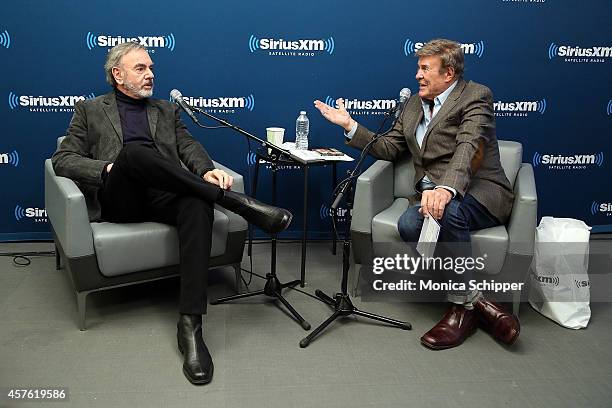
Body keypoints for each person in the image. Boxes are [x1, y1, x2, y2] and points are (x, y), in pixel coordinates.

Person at [52, 42, 293, 384]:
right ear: (117, 75)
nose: (150, 74)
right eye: (141, 69)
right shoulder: (89, 110)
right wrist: (105, 169)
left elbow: (188, 146)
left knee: (197, 203)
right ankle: (238, 203)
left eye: (151, 68)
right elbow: (63, 160)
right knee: (133, 154)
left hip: (163, 193)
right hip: (121, 198)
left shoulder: (166, 110)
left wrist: (206, 169)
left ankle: (190, 325)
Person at [314, 39, 520, 350]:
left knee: (446, 212)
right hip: (429, 197)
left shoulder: (476, 96)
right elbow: (389, 147)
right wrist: (350, 126)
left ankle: (459, 309)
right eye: (417, 68)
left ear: (448, 73)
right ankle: (477, 301)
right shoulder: (412, 105)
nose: (417, 76)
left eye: (425, 69)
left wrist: (445, 189)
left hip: (481, 191)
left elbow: (468, 148)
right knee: (409, 224)